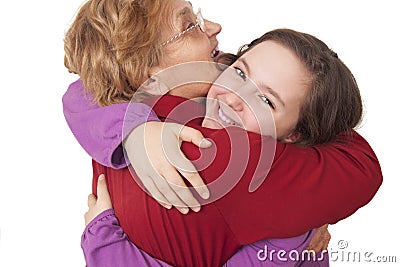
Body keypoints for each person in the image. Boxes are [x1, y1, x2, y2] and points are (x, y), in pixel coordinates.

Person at [63, 0, 382, 266]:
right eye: (190, 26)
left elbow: (79, 92)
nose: (214, 27)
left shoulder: (120, 111)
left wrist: (102, 240)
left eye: (265, 99)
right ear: (147, 68)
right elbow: (362, 166)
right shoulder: (209, 146)